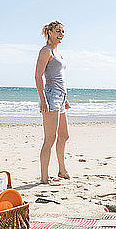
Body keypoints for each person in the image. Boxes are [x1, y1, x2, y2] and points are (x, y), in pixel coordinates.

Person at [34, 20, 71, 184]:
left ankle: (62, 170)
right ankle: (44, 177)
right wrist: (43, 99)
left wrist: (65, 98)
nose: (61, 34)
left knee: (64, 136)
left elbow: (60, 78)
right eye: (58, 31)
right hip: (51, 97)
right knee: (50, 138)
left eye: (62, 32)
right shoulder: (46, 51)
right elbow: (37, 76)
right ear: (49, 32)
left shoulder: (58, 53)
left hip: (61, 97)